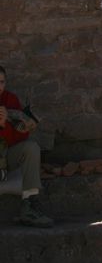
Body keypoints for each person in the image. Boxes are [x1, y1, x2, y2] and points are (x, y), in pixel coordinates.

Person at [0, 65, 53, 227]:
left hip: (7, 154)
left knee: (31, 148)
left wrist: (4, 124)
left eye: (1, 82)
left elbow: (21, 136)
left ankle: (29, 207)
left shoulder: (10, 100)